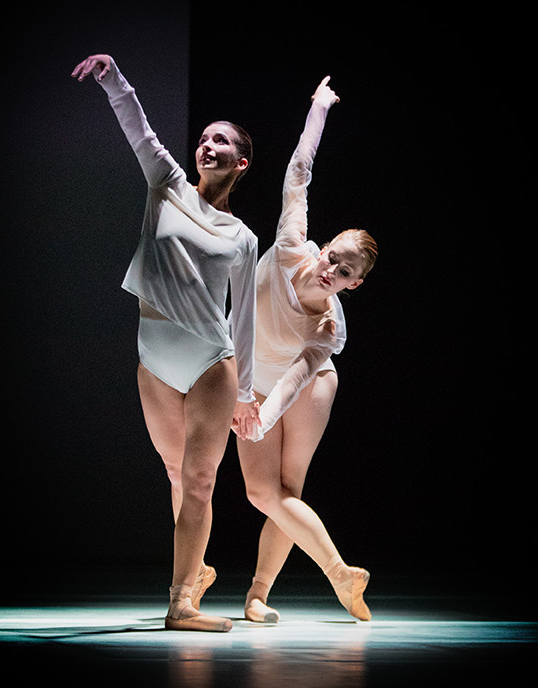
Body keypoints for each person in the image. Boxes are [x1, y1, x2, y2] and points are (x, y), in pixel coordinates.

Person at [72, 53, 261, 632]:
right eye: (203, 139)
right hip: (154, 357)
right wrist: (112, 76)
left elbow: (244, 317)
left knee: (200, 481)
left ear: (241, 162)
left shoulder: (243, 237)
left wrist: (246, 393)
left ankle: (180, 604)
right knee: (177, 477)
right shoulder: (167, 184)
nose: (206, 146)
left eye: (220, 141)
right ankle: (194, 574)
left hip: (210, 361)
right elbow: (140, 129)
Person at [237, 76, 378, 623]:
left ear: (353, 284)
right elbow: (299, 172)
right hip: (254, 380)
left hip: (306, 387)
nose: (331, 269)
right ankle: (341, 574)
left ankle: (257, 594)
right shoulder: (291, 245)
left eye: (344, 271)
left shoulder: (328, 328)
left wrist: (262, 417)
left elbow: (299, 374)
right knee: (263, 493)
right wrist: (318, 109)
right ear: (324, 247)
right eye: (333, 256)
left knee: (285, 488)